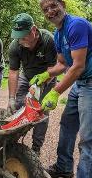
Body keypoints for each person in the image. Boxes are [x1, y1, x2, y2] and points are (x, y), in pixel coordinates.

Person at [31, 0, 92, 178]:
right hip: (82, 82)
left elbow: (78, 66)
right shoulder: (59, 34)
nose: (50, 11)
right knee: (67, 124)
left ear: (63, 4)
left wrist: (55, 92)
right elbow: (62, 64)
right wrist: (46, 74)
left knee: (88, 139)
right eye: (45, 10)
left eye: (53, 6)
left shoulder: (76, 25)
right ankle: (64, 167)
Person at [7, 13, 57, 154]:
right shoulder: (15, 46)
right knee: (16, 105)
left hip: (47, 76)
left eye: (24, 36)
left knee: (41, 110)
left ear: (34, 30)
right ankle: (12, 141)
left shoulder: (48, 40)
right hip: (27, 75)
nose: (20, 40)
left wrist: (39, 84)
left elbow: (53, 68)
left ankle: (36, 148)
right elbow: (13, 72)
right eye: (18, 36)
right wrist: (11, 98)